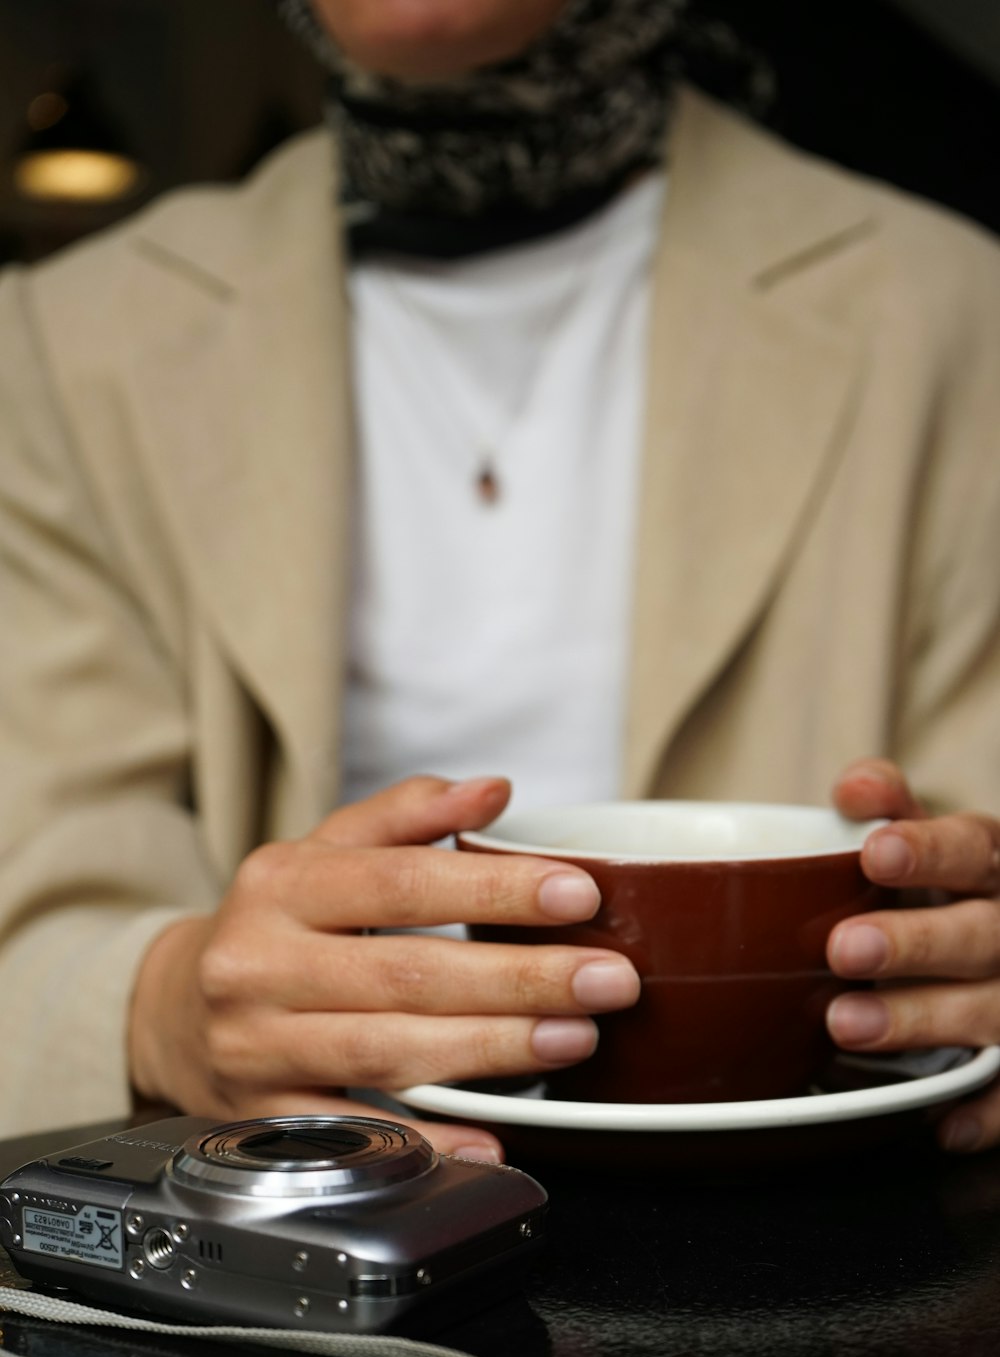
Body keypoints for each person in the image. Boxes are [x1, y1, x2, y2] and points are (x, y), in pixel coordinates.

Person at [1, 0, 999, 1159]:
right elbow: (33, 912)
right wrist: (165, 1004)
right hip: (308, 1266)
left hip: (824, 1248)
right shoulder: (62, 349)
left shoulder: (953, 318)